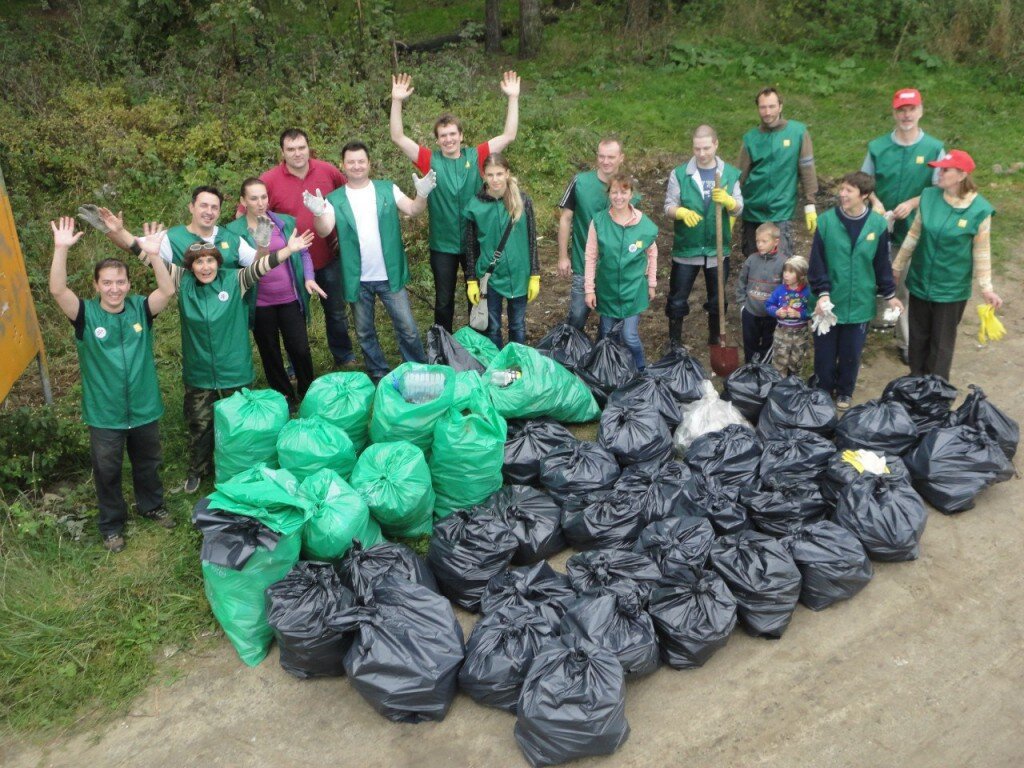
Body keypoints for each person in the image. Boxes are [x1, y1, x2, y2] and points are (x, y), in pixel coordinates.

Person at [48, 217, 177, 553]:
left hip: (145, 405)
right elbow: (58, 290)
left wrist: (155, 255)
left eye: (120, 282)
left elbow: (167, 290)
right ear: (96, 285)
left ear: (128, 284)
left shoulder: (140, 309)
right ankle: (111, 525)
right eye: (107, 283)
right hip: (105, 413)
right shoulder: (85, 315)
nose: (115, 288)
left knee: (148, 462)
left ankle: (152, 506)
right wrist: (60, 248)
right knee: (107, 471)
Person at [390, 71, 521, 332]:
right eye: (443, 136)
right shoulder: (430, 160)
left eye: (452, 134)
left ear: (461, 135)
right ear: (437, 140)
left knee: (476, 296)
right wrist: (396, 101)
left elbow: (508, 135)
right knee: (444, 301)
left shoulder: (478, 155)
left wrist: (513, 98)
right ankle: (443, 344)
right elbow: (398, 137)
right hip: (443, 244)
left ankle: (477, 343)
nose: (448, 139)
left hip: (475, 240)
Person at [305, 141, 436, 383]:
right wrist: (318, 212)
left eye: (361, 161)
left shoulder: (387, 189)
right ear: (343, 165)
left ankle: (418, 369)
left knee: (407, 327)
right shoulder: (335, 198)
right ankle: (378, 373)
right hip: (358, 278)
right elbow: (324, 230)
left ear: (369, 164)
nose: (356, 166)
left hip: (389, 274)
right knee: (365, 332)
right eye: (351, 162)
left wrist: (422, 194)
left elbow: (413, 209)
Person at [892, 150, 1002, 381]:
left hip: (951, 290)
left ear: (962, 175)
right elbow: (914, 234)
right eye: (939, 168)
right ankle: (915, 384)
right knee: (918, 338)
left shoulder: (979, 210)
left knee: (941, 346)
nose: (938, 173)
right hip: (920, 281)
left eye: (945, 169)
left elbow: (981, 251)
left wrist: (986, 288)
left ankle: (936, 394)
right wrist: (898, 265)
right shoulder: (929, 196)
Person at [254, 128, 356, 368]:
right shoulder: (269, 180)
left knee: (336, 311)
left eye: (301, 147)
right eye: (291, 149)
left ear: (309, 147)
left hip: (327, 256)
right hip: (290, 262)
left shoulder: (327, 170)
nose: (297, 153)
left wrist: (344, 235)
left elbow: (348, 199)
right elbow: (251, 213)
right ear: (282, 152)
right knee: (293, 317)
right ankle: (294, 365)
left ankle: (344, 356)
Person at [225, 178, 325, 409]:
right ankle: (285, 398)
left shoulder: (285, 222)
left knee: (299, 348)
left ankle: (308, 392)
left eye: (263, 197)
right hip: (260, 303)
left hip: (290, 298)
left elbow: (303, 253)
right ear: (243, 201)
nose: (260, 203)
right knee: (270, 352)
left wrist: (308, 277)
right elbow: (236, 270)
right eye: (253, 198)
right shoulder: (233, 232)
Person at [862, 88, 945, 362]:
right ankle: (870, 323)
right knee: (871, 276)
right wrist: (873, 200)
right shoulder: (878, 147)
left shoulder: (933, 148)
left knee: (905, 285)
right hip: (879, 227)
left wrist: (912, 202)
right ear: (894, 112)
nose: (906, 115)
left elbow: (940, 188)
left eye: (911, 109)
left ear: (921, 111)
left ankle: (906, 341)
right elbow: (864, 183)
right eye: (901, 110)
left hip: (914, 229)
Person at [809, 172, 902, 410]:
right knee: (824, 354)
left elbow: (882, 263)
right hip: (828, 302)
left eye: (849, 191)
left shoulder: (878, 225)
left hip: (860, 302)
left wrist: (890, 295)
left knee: (851, 353)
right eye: (842, 189)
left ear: (865, 195)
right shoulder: (826, 221)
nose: (842, 194)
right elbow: (817, 262)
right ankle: (822, 390)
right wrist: (823, 292)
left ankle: (845, 392)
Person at [664, 124, 744, 348]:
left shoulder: (729, 174)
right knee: (677, 299)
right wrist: (680, 212)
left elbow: (739, 208)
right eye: (697, 149)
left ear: (716, 145)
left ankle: (715, 340)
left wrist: (729, 201)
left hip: (717, 249)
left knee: (718, 299)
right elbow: (668, 206)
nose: (701, 153)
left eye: (706, 148)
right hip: (687, 248)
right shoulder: (680, 174)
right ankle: (675, 342)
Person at [464, 154, 539, 349]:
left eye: (499, 174)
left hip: (519, 273)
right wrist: (471, 279)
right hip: (491, 277)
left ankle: (518, 363)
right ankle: (496, 366)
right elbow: (470, 245)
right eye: (490, 174)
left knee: (517, 325)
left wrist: (535, 275)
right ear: (483, 175)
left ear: (507, 173)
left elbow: (532, 239)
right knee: (493, 327)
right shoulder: (475, 205)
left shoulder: (523, 201)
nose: (495, 179)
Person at [584, 172, 658, 370]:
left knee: (629, 335)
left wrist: (651, 283)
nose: (619, 197)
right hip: (607, 289)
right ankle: (613, 370)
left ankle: (641, 370)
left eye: (623, 192)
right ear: (608, 194)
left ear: (631, 194)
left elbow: (652, 254)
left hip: (634, 289)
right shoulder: (599, 221)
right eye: (614, 192)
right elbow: (590, 257)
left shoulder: (644, 225)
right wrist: (589, 289)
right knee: (608, 333)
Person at [558, 137, 630, 330]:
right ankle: (571, 351)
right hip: (583, 263)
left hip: (613, 268)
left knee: (610, 320)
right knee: (578, 315)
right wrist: (563, 256)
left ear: (621, 158)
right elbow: (565, 218)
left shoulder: (626, 189)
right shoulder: (580, 182)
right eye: (601, 156)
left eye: (611, 157)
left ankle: (603, 354)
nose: (606, 161)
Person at [738, 87, 819, 258]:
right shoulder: (750, 138)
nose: (767, 112)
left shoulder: (798, 133)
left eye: (772, 106)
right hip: (753, 210)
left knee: (780, 263)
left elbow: (807, 168)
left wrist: (810, 203)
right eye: (763, 107)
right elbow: (740, 175)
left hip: (781, 211)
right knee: (753, 261)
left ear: (780, 106)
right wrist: (732, 204)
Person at [90, 187, 256, 269]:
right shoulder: (172, 237)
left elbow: (258, 264)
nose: (209, 212)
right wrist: (111, 230)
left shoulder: (231, 239)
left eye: (214, 207)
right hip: (194, 314)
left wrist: (264, 246)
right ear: (191, 207)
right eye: (203, 206)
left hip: (231, 314)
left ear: (219, 212)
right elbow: (131, 245)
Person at [735, 222, 784, 363]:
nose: (760, 245)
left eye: (764, 241)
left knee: (768, 344)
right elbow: (741, 282)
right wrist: (742, 305)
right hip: (750, 312)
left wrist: (780, 308)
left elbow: (786, 288)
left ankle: (764, 371)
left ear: (776, 242)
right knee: (750, 344)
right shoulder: (751, 260)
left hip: (771, 314)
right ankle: (750, 370)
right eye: (757, 241)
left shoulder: (782, 263)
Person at [765, 256, 812, 377]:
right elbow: (769, 305)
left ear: (801, 274)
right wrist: (776, 312)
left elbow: (813, 312)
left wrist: (799, 314)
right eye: (785, 271)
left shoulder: (807, 292)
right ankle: (778, 387)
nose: (786, 275)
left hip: (800, 333)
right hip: (782, 331)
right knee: (779, 362)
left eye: (791, 272)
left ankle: (794, 386)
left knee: (796, 362)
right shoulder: (780, 290)